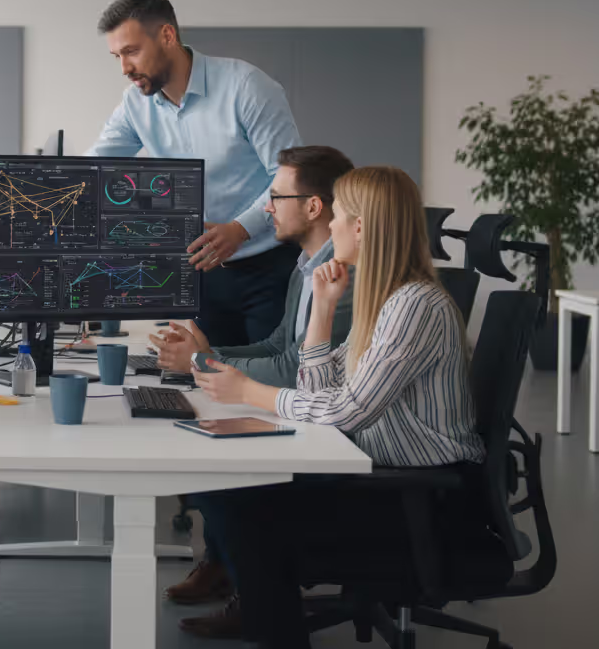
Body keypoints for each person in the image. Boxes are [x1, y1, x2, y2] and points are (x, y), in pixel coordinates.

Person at [186, 166, 485, 649]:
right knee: (234, 495)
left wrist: (248, 393)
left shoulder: (414, 306)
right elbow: (319, 391)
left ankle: (273, 632)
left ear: (362, 227)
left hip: (420, 499)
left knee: (244, 511)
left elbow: (345, 412)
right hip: (385, 476)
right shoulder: (383, 298)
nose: (333, 228)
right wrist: (322, 312)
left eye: (340, 215)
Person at [150, 145, 357, 639]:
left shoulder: (342, 277)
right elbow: (275, 344)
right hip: (314, 417)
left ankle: (266, 614)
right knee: (210, 470)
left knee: (222, 482)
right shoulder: (306, 267)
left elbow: (296, 367)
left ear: (312, 207)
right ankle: (256, 600)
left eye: (276, 196)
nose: (265, 208)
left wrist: (205, 362)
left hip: (340, 440)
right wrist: (209, 351)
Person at [89, 0, 303, 347]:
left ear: (167, 36)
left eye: (131, 51)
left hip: (268, 267)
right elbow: (94, 164)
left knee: (265, 384)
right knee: (204, 380)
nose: (124, 69)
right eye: (117, 56)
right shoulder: (134, 105)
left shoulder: (247, 87)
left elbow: (291, 179)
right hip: (202, 271)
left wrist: (240, 229)